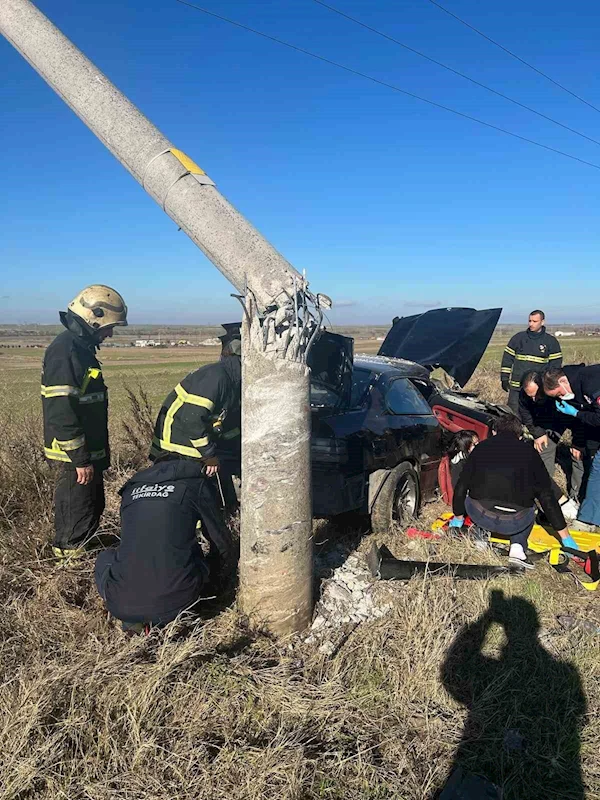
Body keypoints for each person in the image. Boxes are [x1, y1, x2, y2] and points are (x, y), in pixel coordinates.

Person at [94, 457, 234, 631]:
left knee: (106, 557)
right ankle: (164, 614)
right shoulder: (194, 486)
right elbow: (220, 542)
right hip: (179, 600)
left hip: (121, 606)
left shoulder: (131, 490)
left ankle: (135, 620)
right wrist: (219, 580)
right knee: (192, 553)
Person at [41, 285, 128, 560]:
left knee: (91, 507)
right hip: (73, 459)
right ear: (94, 317)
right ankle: (68, 571)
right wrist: (79, 458)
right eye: (109, 327)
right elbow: (61, 411)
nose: (110, 333)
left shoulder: (80, 349)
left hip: (84, 455)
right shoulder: (66, 351)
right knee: (74, 518)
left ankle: (85, 558)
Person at [450, 415, 574, 568]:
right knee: (532, 507)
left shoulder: (480, 448)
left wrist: (458, 517)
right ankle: (517, 547)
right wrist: (566, 537)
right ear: (520, 436)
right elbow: (546, 497)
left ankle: (479, 536)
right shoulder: (531, 454)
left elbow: (461, 487)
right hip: (515, 521)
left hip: (481, 515)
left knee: (474, 499)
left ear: (494, 432)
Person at [150, 324, 241, 516]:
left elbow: (229, 424)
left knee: (207, 497)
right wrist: (209, 456)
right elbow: (192, 421)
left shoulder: (233, 380)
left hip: (196, 446)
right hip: (177, 448)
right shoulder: (217, 378)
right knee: (187, 499)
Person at [519, 370, 583, 518]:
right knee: (543, 449)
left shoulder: (560, 390)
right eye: (530, 396)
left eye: (536, 394)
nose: (534, 399)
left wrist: (578, 442)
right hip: (548, 422)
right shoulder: (525, 394)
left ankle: (576, 495)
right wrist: (538, 434)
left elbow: (580, 417)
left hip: (573, 417)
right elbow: (525, 414)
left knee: (578, 454)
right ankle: (546, 494)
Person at [544, 365, 600, 532]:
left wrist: (576, 413)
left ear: (563, 381)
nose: (562, 397)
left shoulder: (591, 383)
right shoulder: (576, 386)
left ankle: (588, 520)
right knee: (597, 470)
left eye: (560, 394)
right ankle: (588, 519)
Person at [500, 310, 562, 413]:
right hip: (516, 388)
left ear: (542, 322)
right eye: (530, 321)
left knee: (537, 416)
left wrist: (548, 385)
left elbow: (555, 367)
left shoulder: (551, 342)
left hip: (538, 389)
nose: (531, 324)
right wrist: (504, 379)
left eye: (534, 321)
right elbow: (507, 359)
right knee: (513, 414)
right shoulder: (518, 338)